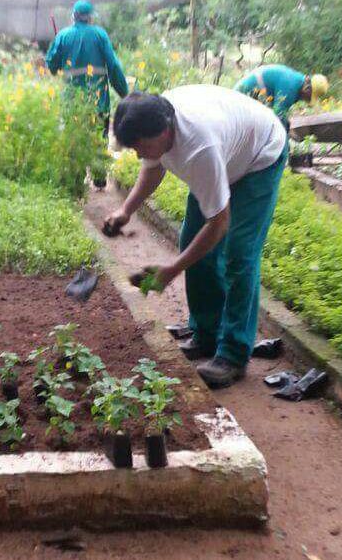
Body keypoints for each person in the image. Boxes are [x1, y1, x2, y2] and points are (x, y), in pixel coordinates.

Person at [104, 86, 287, 388]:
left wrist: (172, 270)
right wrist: (126, 210)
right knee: (191, 240)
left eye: (140, 147)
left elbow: (219, 223)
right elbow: (153, 168)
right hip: (228, 153)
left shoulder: (199, 148)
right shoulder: (154, 120)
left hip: (259, 156)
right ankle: (206, 334)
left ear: (164, 133)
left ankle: (233, 354)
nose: (138, 154)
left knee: (239, 255)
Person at [45, 0, 129, 186]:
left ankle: (76, 180)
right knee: (99, 137)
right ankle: (99, 178)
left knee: (74, 138)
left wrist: (57, 56)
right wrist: (124, 92)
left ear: (73, 16)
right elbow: (113, 66)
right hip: (98, 99)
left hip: (72, 101)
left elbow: (51, 66)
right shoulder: (100, 35)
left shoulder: (63, 36)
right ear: (90, 17)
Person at [234, 64, 329, 127]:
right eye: (309, 97)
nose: (306, 100)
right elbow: (277, 118)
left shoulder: (297, 82)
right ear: (307, 89)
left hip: (254, 97)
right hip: (243, 95)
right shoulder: (291, 87)